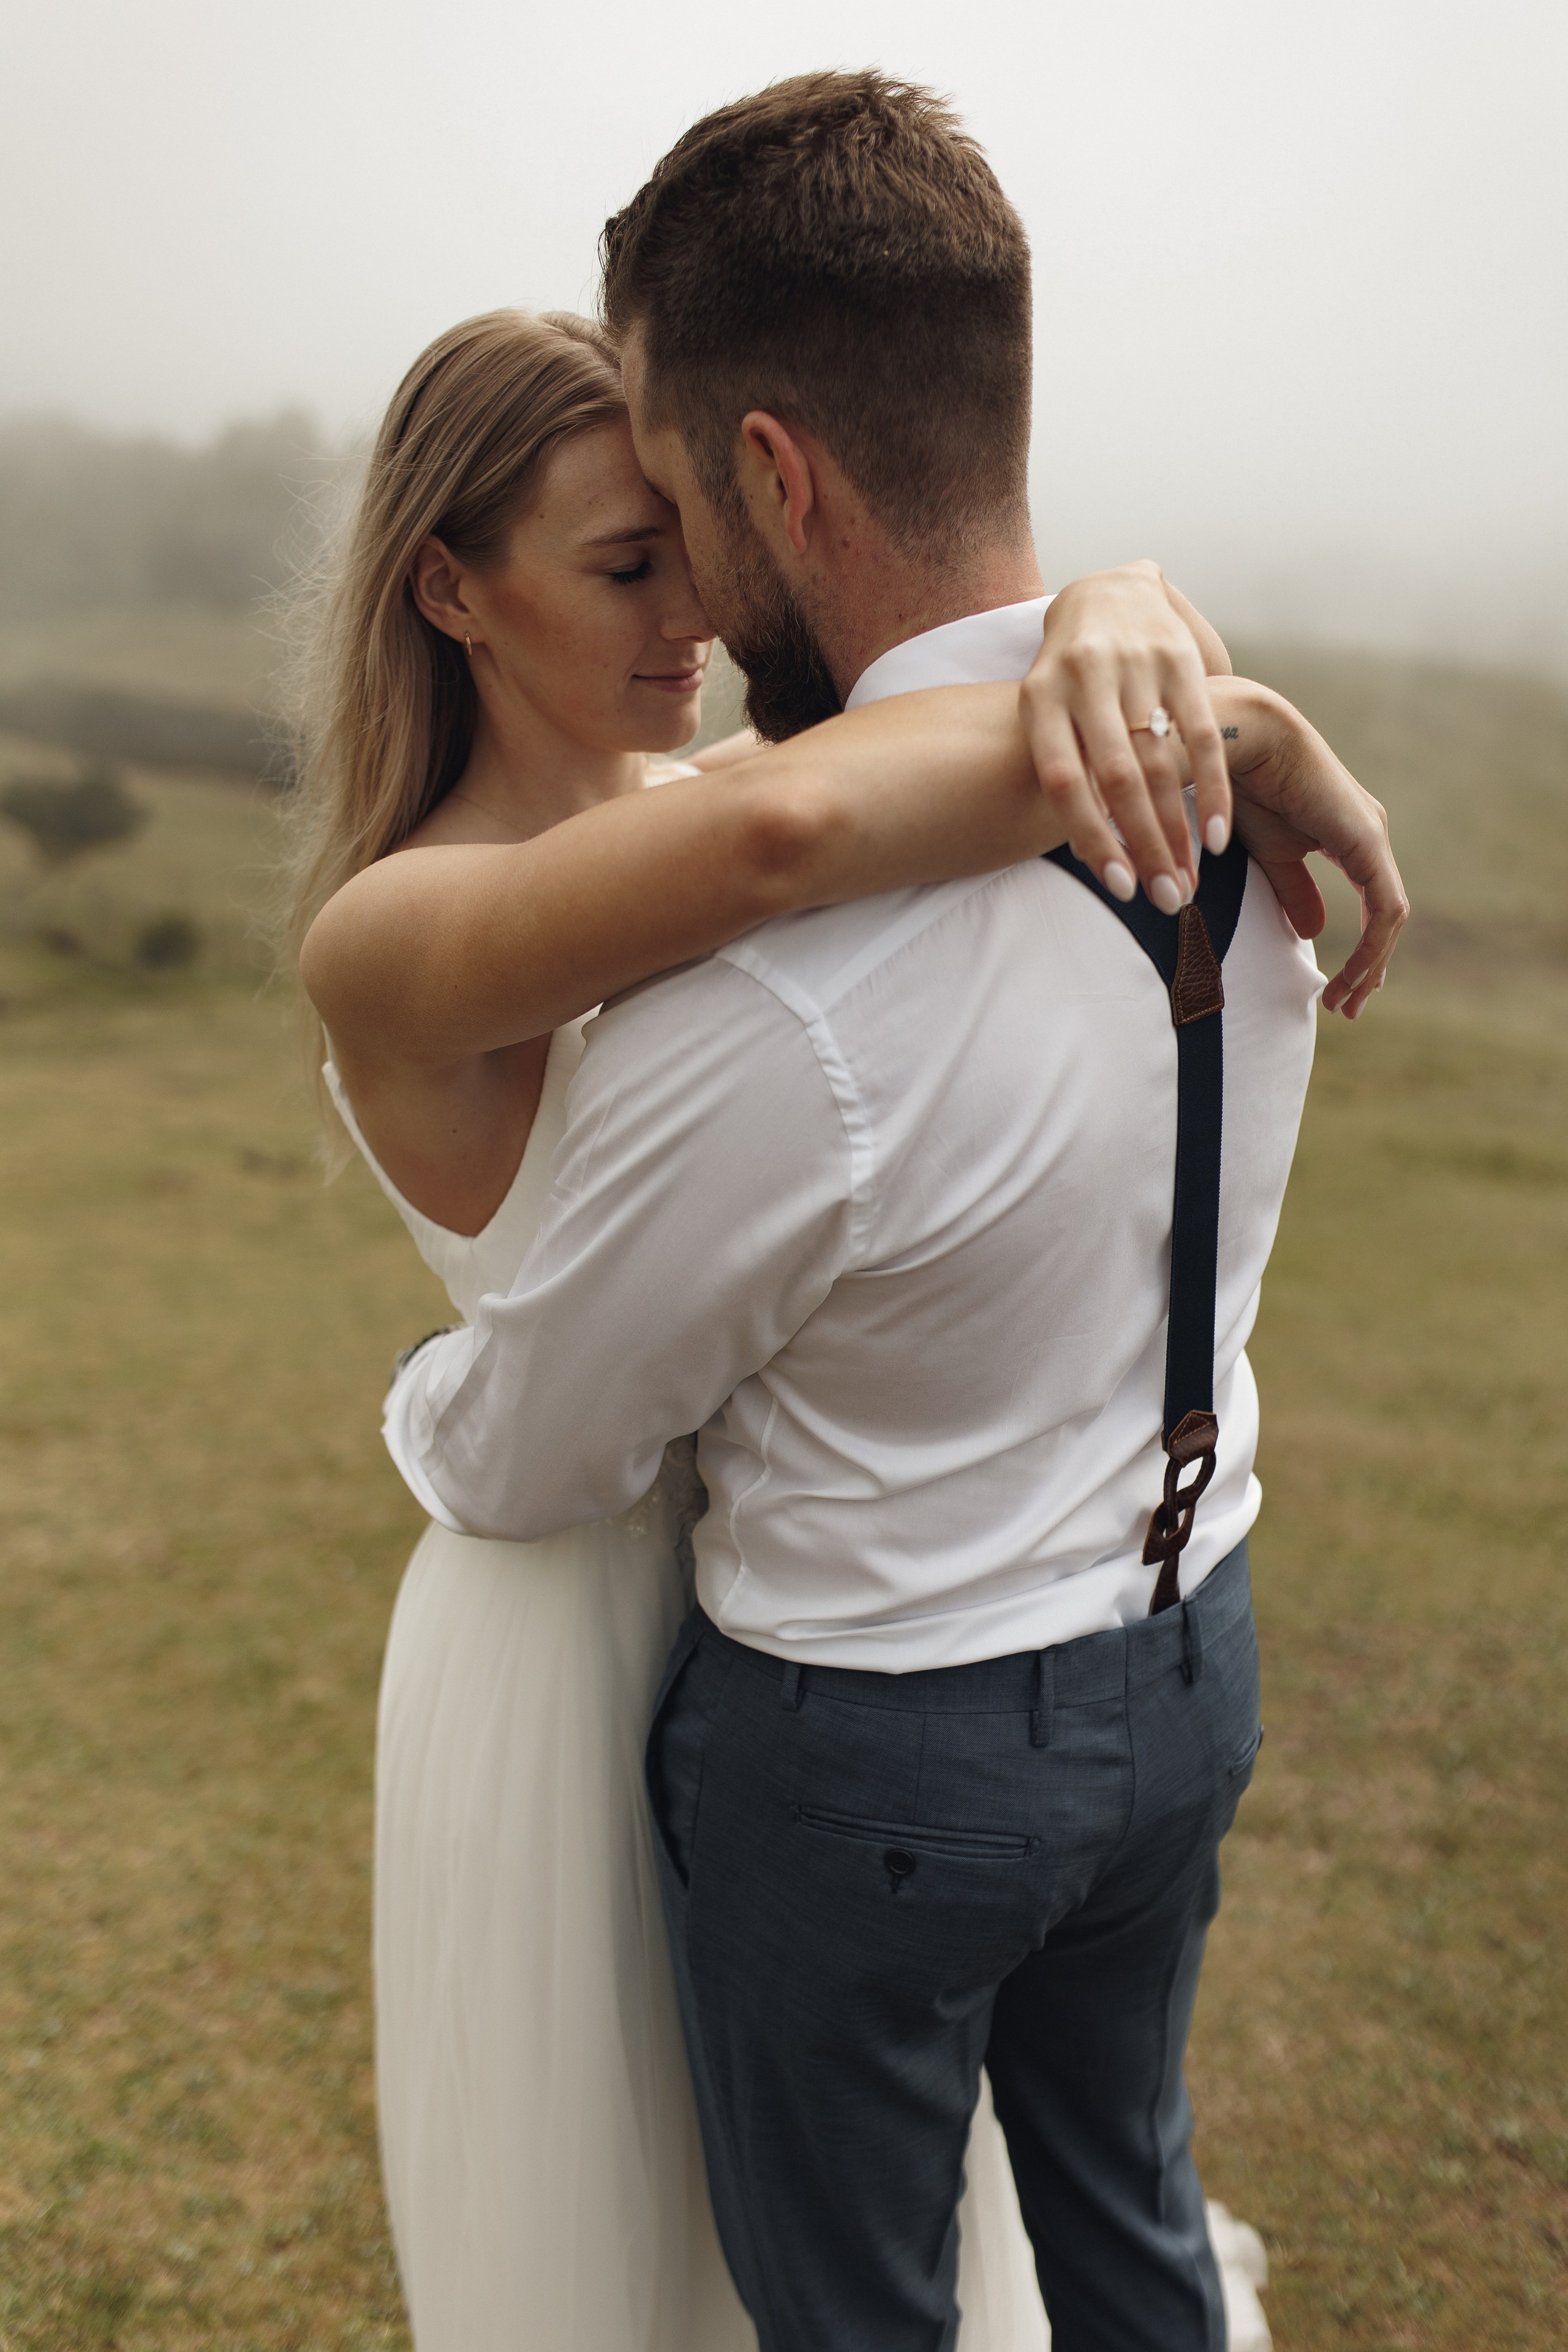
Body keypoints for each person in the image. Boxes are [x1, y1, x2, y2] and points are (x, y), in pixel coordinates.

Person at [374, 74, 1408, 2352]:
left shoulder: (775, 1010)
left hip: (878, 1768)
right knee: (1127, 2219)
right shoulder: (1235, 820)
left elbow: (548, 1447)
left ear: (772, 472)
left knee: (851, 2312)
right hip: (1191, 1650)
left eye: (671, 495)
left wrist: (433, 1423)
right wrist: (1156, 631)